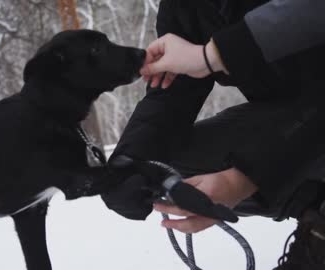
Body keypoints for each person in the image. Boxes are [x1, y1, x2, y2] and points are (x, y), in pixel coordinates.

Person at [101, 1, 325, 269]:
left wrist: (245, 176)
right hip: (293, 121)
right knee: (166, 166)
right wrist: (130, 160)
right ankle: (316, 218)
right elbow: (174, 89)